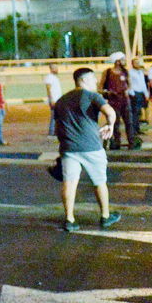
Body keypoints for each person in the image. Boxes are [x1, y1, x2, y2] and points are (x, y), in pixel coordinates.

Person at [54, 66, 120, 232]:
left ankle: (69, 219)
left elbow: (57, 128)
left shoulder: (61, 100)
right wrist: (110, 125)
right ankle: (105, 216)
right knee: (99, 182)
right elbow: (110, 112)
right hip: (91, 146)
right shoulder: (92, 96)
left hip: (69, 148)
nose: (96, 81)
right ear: (83, 80)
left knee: (70, 183)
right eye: (92, 78)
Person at [100, 53, 137, 150]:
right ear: (117, 61)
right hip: (113, 102)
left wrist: (127, 90)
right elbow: (100, 88)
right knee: (115, 123)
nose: (124, 61)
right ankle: (116, 142)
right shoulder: (108, 72)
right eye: (122, 59)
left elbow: (129, 85)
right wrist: (108, 92)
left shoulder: (125, 72)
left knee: (129, 122)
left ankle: (131, 142)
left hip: (125, 101)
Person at [128, 55, 149, 135]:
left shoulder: (140, 72)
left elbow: (143, 83)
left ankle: (138, 129)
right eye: (135, 63)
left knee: (139, 112)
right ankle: (133, 130)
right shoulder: (130, 72)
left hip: (141, 93)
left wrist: (146, 94)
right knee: (134, 112)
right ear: (132, 64)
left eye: (138, 63)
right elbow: (129, 83)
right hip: (134, 93)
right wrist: (132, 93)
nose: (137, 64)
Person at [43, 63, 63, 136]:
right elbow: (48, 89)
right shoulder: (49, 77)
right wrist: (51, 99)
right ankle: (52, 132)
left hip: (57, 99)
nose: (57, 69)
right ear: (51, 69)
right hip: (54, 100)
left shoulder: (54, 77)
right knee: (54, 116)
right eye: (56, 68)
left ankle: (55, 131)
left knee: (57, 116)